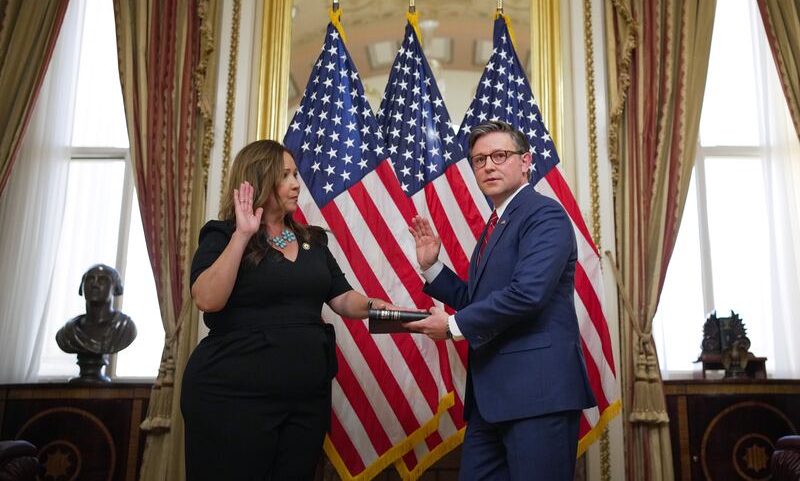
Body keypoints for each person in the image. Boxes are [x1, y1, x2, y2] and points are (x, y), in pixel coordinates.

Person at [180, 140, 394, 481]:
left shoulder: (312, 240)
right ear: (258, 179)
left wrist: (371, 306)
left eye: (296, 174)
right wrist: (242, 235)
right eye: (285, 175)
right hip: (231, 398)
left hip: (304, 402)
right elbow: (207, 299)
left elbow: (341, 298)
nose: (296, 183)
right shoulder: (221, 235)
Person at [406, 120, 596, 480]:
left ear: (526, 161)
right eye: (479, 160)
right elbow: (478, 299)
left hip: (538, 396)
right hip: (491, 401)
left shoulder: (545, 214)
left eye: (499, 155)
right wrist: (432, 268)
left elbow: (528, 294)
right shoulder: (498, 222)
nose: (488, 166)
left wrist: (451, 326)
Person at [56, 264, 137, 355]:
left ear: (115, 288)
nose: (94, 284)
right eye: (90, 279)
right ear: (81, 287)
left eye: (102, 280)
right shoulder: (68, 332)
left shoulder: (124, 328)